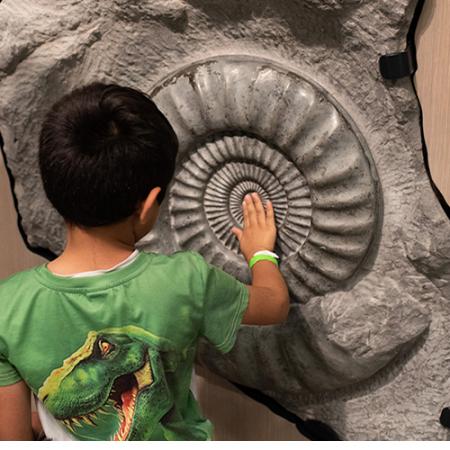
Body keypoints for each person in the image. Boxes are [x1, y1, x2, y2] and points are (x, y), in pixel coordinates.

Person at [0, 83, 289, 441]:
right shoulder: (186, 280)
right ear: (150, 203)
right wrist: (260, 251)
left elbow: (11, 440)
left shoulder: (7, 308)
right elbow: (274, 304)